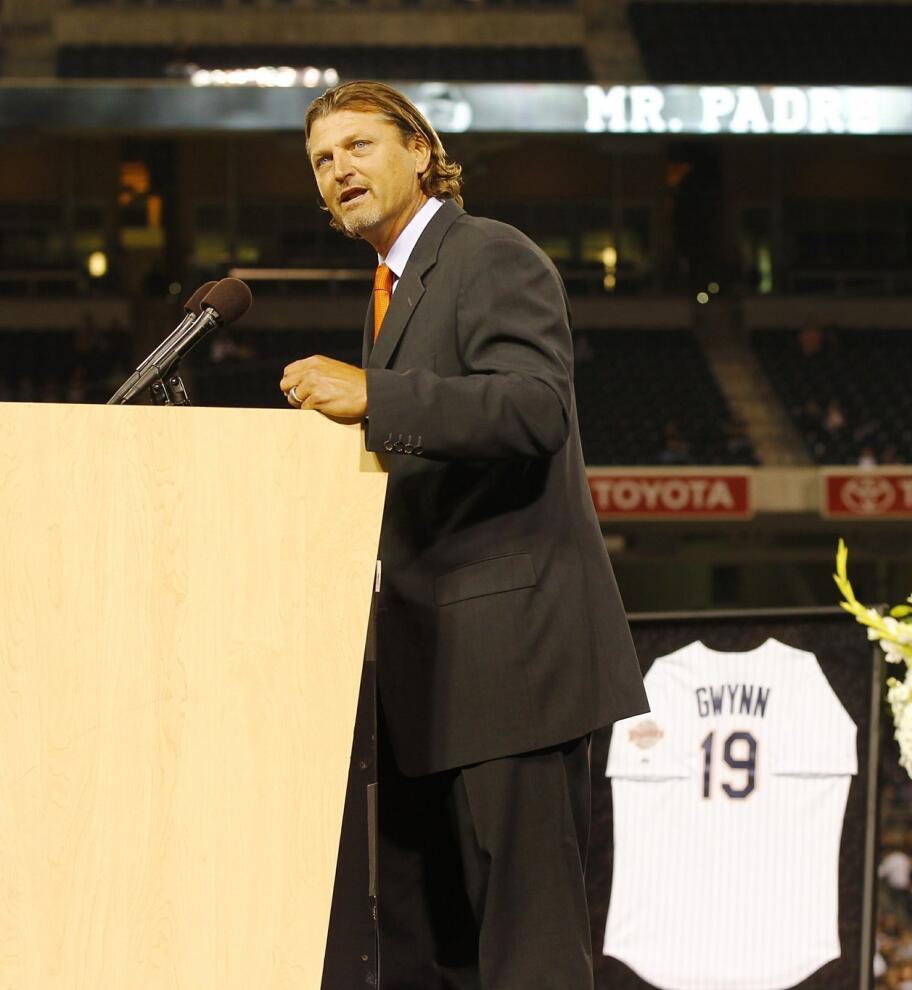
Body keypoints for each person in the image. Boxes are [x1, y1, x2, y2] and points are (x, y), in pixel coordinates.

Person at [283, 81, 648, 988]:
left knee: (528, 952)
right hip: (429, 678)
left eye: (359, 147)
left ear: (419, 149)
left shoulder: (488, 254)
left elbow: (533, 409)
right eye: (324, 161)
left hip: (514, 667)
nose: (340, 171)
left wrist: (378, 396)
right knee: (430, 953)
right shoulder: (389, 292)